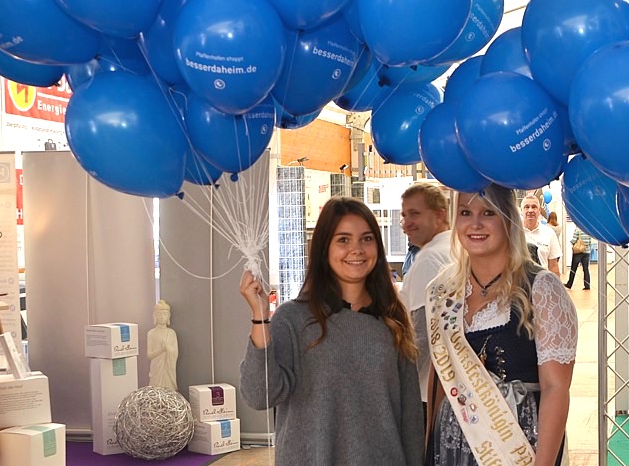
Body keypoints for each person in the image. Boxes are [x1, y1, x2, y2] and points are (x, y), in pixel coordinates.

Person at [239, 197, 424, 466]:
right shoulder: (293, 319)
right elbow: (259, 395)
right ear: (324, 248)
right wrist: (260, 318)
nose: (356, 249)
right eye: (343, 240)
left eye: (367, 238)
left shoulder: (393, 320)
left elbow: (411, 420)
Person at [426, 184, 577, 466]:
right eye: (465, 213)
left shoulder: (541, 288)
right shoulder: (443, 290)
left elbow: (555, 388)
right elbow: (440, 378)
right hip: (452, 444)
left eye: (488, 212)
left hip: (518, 446)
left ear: (508, 218)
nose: (475, 224)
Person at [400, 183, 452, 415]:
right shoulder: (456, 247)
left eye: (415, 214)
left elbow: (422, 334)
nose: (407, 223)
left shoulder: (429, 259)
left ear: (439, 215)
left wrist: (401, 384)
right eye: (404, 215)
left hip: (427, 391)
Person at [520, 194, 561, 276]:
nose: (530, 210)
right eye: (526, 207)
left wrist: (556, 283)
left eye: (534, 207)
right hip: (518, 282)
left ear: (539, 211)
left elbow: (553, 267)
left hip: (541, 281)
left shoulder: (549, 233)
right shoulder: (512, 232)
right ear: (521, 211)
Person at [147, 300, 179, 391]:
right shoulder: (151, 333)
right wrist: (161, 349)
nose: (162, 317)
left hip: (168, 368)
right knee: (156, 390)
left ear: (168, 316)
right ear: (155, 316)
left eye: (165, 314)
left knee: (169, 390)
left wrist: (168, 349)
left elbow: (175, 353)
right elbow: (149, 355)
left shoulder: (171, 333)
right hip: (156, 368)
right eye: (160, 314)